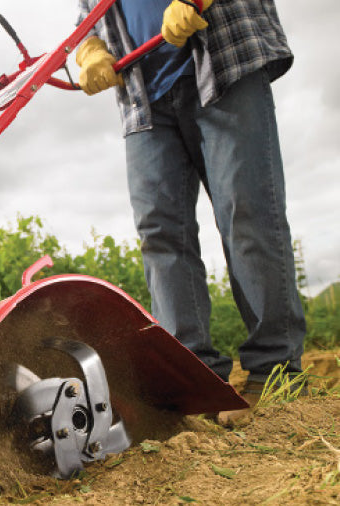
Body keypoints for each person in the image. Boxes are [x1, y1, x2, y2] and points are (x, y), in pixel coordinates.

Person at [75, 0, 307, 425]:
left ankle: (275, 370)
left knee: (246, 215)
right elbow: (89, 14)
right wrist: (88, 48)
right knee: (159, 233)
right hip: (143, 94)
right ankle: (195, 382)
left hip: (223, 60)